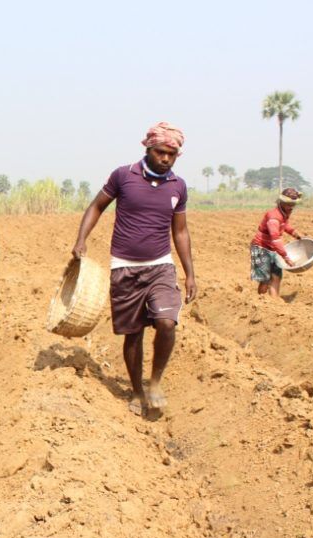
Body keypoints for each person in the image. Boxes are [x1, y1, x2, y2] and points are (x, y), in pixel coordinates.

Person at [71, 122, 197, 415]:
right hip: (125, 268)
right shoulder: (123, 176)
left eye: (172, 154)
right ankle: (137, 392)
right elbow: (96, 206)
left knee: (167, 322)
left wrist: (190, 273)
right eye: (160, 152)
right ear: (148, 149)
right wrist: (81, 239)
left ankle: (155, 382)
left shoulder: (178, 186)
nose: (165, 159)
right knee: (134, 334)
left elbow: (180, 231)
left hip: (160, 266)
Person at [250, 188, 307, 298]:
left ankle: (274, 303)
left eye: (293, 204)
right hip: (261, 248)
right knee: (265, 280)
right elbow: (275, 239)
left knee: (276, 277)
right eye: (289, 204)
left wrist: (295, 234)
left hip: (273, 249)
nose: (291, 207)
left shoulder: (284, 213)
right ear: (281, 202)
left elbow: (285, 225)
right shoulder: (273, 217)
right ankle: (262, 302)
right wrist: (286, 257)